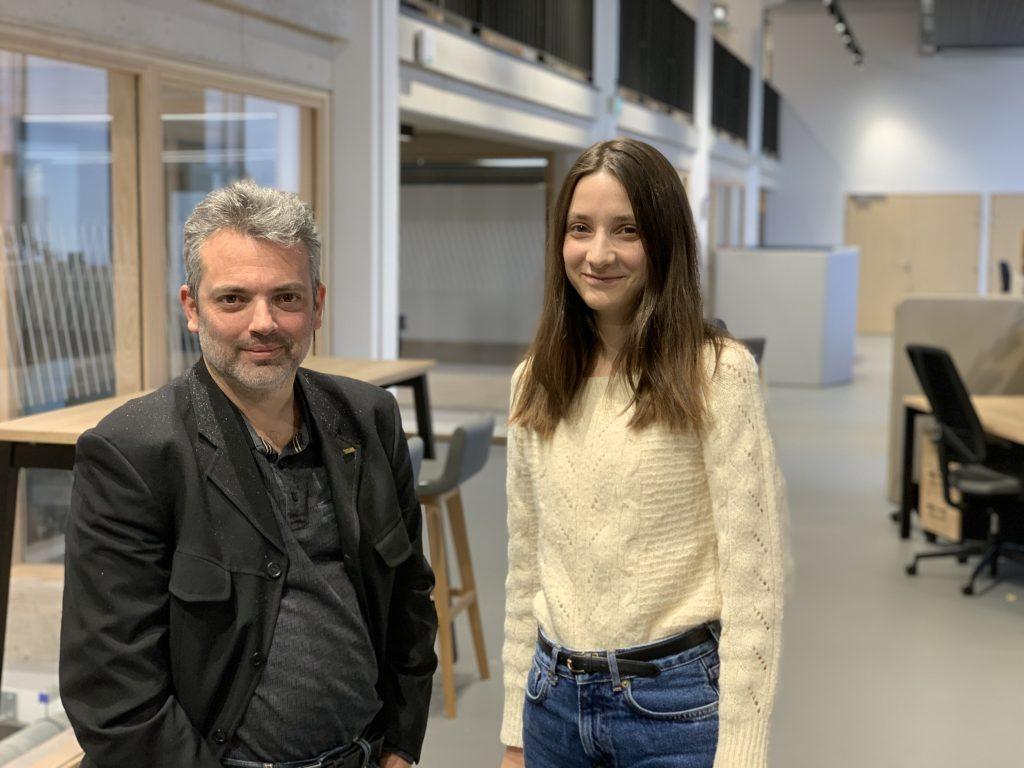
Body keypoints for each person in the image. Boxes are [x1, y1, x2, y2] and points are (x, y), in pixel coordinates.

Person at [60, 180, 437, 768]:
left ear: (318, 304)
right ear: (191, 307)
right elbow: (113, 692)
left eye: (286, 298)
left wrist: (403, 745)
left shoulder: (368, 419)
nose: (264, 322)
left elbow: (409, 596)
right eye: (233, 299)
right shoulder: (134, 452)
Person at [498, 139, 786, 768]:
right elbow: (526, 568)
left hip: (675, 710)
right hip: (550, 702)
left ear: (664, 241)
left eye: (625, 230)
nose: (598, 253)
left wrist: (742, 749)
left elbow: (753, 582)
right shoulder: (534, 381)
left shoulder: (718, 374)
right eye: (580, 229)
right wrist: (514, 729)